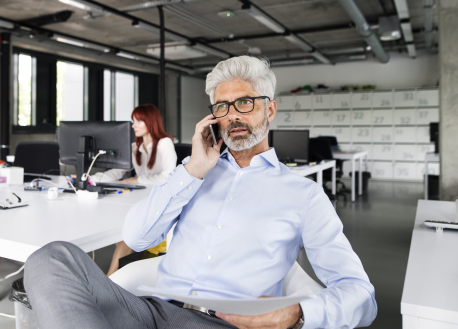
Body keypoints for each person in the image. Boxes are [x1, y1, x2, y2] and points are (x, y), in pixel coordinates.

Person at [25, 56, 377, 329]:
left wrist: (296, 313)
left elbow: (361, 295)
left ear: (269, 108)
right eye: (222, 107)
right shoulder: (192, 174)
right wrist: (193, 169)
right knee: (51, 258)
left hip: (225, 321)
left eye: (245, 103)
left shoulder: (303, 194)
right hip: (150, 309)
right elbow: (136, 237)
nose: (233, 116)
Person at [90, 104, 177, 275]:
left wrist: (137, 179)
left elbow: (169, 177)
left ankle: (110, 280)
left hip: (157, 201)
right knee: (119, 231)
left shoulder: (164, 143)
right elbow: (117, 172)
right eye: (133, 121)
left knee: (124, 238)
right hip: (136, 199)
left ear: (150, 122)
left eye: (138, 121)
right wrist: (89, 178)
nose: (133, 125)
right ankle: (119, 275)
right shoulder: (134, 147)